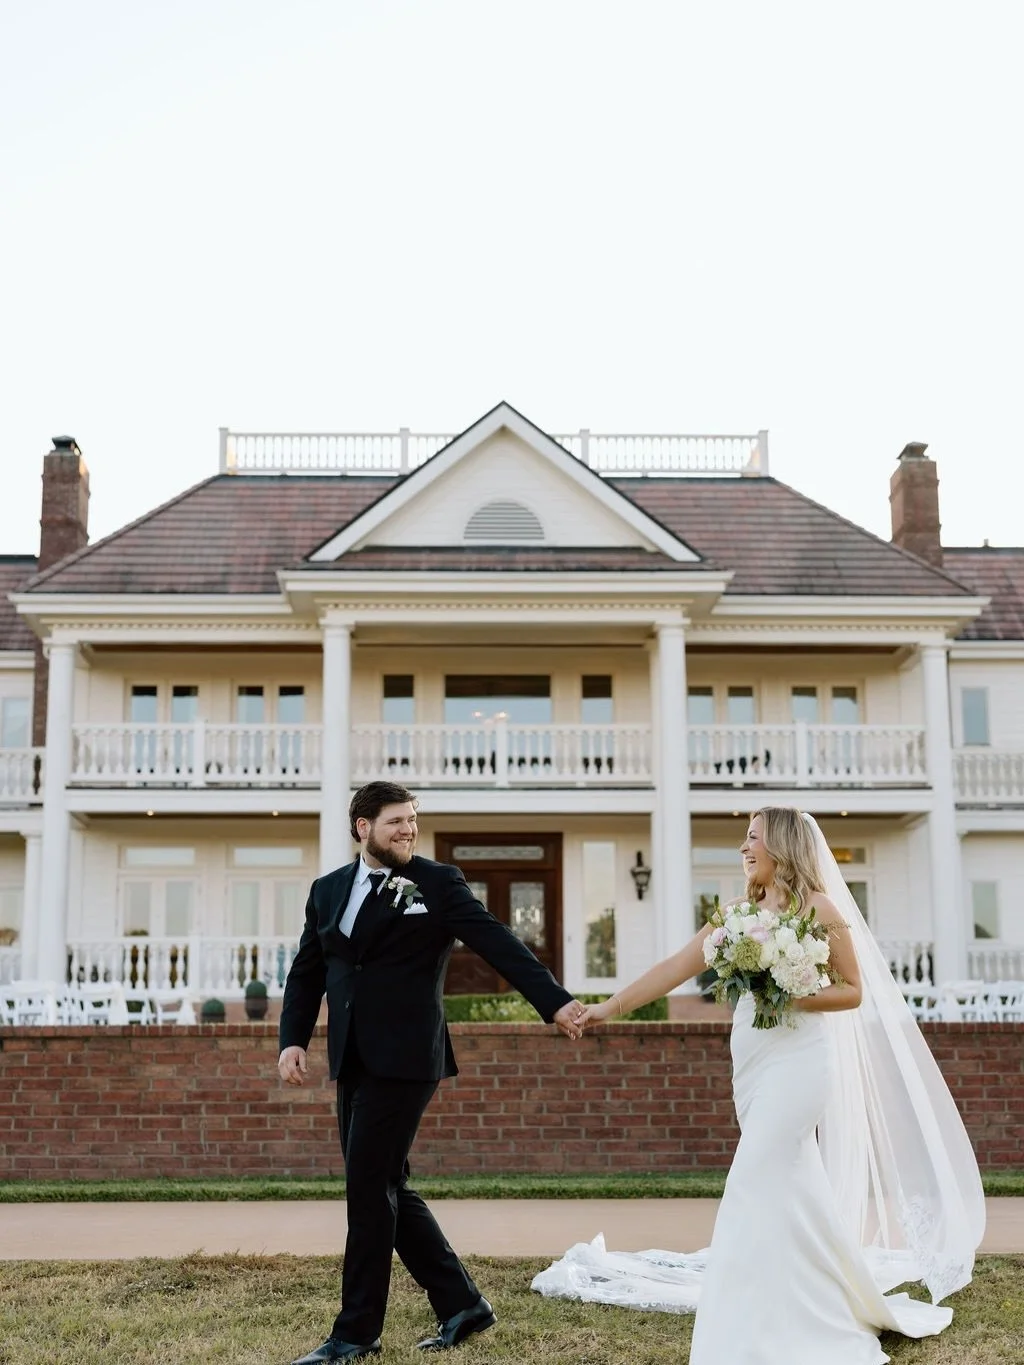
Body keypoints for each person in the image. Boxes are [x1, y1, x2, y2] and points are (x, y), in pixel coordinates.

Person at [533, 807, 986, 1365]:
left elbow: (852, 991)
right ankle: (814, 1287)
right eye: (745, 838)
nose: (744, 847)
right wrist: (608, 1008)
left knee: (753, 1175)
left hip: (801, 1061)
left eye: (753, 837)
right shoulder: (739, 913)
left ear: (782, 845)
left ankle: (743, 1315)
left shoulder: (820, 908)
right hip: (752, 1058)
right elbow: (676, 966)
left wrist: (785, 990)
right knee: (789, 1184)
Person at [278, 780, 585, 1363]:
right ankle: (463, 1304)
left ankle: (355, 1333)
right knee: (386, 1184)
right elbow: (307, 969)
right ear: (362, 828)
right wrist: (292, 1039)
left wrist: (554, 1002)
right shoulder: (327, 891)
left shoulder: (438, 884)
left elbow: (498, 941)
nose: (408, 830)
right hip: (353, 1057)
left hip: (408, 1057)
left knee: (368, 1188)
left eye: (412, 820)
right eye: (396, 821)